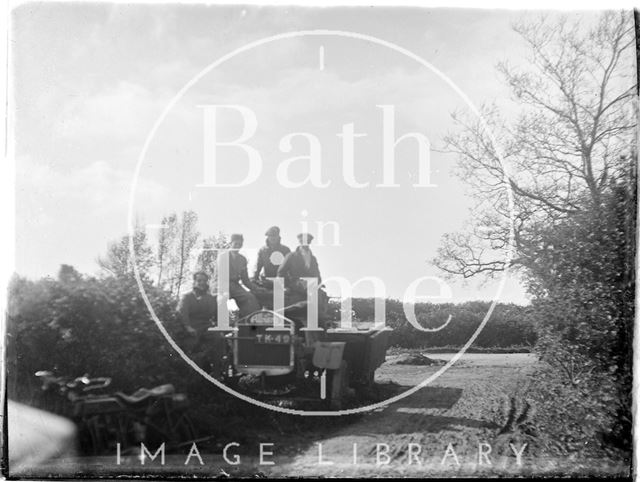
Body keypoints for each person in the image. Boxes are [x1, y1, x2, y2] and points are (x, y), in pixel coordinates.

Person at [177, 271, 224, 376]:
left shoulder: (211, 298)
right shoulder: (187, 296)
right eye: (199, 280)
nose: (202, 283)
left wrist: (220, 327)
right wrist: (188, 327)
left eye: (204, 281)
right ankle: (189, 374)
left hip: (206, 327)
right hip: (192, 327)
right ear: (194, 282)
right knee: (191, 346)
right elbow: (182, 313)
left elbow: (217, 316)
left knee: (219, 338)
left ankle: (217, 373)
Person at [219, 233, 260, 319]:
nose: (237, 246)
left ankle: (245, 321)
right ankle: (220, 324)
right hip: (222, 285)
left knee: (251, 298)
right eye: (235, 244)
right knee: (221, 301)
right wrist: (225, 292)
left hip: (235, 286)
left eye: (240, 244)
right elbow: (221, 277)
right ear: (231, 244)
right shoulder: (223, 257)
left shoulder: (242, 259)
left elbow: (245, 280)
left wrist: (256, 288)